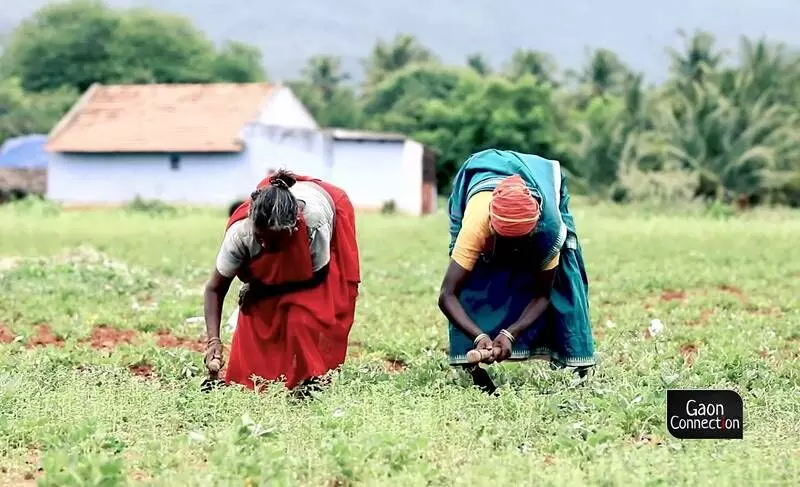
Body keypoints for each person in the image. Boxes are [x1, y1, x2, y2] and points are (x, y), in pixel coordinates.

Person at [437, 149, 596, 394]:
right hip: (475, 176)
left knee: (565, 274)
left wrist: (510, 334)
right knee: (470, 277)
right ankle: (475, 375)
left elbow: (544, 294)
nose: (513, 250)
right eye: (506, 240)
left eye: (520, 241)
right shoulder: (476, 223)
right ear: (492, 225)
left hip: (539, 178)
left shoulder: (548, 228)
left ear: (534, 228)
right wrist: (479, 337)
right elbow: (448, 294)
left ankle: (576, 371)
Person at [202, 169, 361, 393]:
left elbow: (317, 277)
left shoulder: (314, 224)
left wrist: (259, 287)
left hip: (331, 211)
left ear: (294, 228)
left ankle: (311, 377)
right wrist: (213, 341)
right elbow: (214, 289)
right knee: (253, 309)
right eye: (260, 237)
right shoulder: (241, 233)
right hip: (280, 239)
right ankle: (257, 379)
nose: (265, 246)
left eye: (274, 242)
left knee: (303, 314)